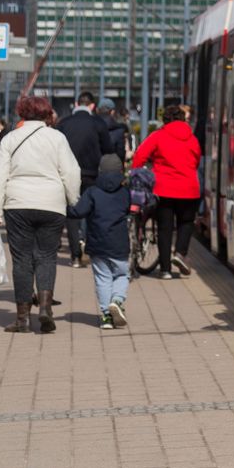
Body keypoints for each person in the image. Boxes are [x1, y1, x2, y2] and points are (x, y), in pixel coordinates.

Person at [0, 95, 81, 333]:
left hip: (18, 204)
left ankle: (21, 319)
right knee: (47, 256)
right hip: (52, 204)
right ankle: (46, 309)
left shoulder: (10, 139)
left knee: (21, 260)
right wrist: (72, 198)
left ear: (22, 114)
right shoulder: (57, 138)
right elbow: (71, 171)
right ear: (47, 114)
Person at [131, 104, 201, 279]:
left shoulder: (158, 136)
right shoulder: (192, 138)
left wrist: (136, 172)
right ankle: (180, 253)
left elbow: (140, 155)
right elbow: (197, 160)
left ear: (165, 120)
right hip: (189, 188)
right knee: (186, 222)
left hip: (163, 189)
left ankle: (165, 270)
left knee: (164, 228)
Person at [68, 154, 131, 330]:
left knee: (103, 279)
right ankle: (117, 300)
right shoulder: (124, 192)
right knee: (122, 274)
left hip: (97, 244)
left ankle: (106, 317)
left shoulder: (92, 192)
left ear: (100, 171)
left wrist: (63, 208)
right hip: (119, 244)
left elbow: (78, 212)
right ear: (120, 171)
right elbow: (127, 209)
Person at [57, 92, 113, 267]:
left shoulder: (64, 124)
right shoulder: (98, 123)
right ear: (92, 106)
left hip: (67, 175)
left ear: (75, 104)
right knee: (91, 212)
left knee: (72, 213)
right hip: (91, 174)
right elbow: (108, 150)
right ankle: (88, 247)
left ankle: (75, 255)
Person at [97, 98, 127, 164]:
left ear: (97, 110)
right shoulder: (119, 130)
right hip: (111, 167)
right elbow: (121, 154)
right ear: (112, 112)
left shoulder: (91, 126)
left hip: (92, 168)